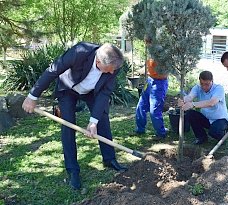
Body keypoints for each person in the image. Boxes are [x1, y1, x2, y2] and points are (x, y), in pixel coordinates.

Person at [22, 42, 127, 190]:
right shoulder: (80, 51)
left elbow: (104, 93)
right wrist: (33, 96)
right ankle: (73, 170)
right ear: (98, 62)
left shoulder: (113, 65)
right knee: (68, 124)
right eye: (109, 70)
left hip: (92, 92)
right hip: (68, 89)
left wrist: (93, 122)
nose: (112, 73)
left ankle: (109, 159)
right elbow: (53, 70)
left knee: (102, 118)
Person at [178, 71, 228, 145]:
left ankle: (223, 136)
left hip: (221, 119)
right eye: (202, 84)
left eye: (207, 84)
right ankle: (201, 137)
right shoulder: (197, 88)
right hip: (207, 118)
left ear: (212, 81)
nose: (204, 87)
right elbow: (190, 97)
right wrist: (183, 100)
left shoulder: (219, 88)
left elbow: (212, 102)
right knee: (190, 114)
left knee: (214, 132)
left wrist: (193, 104)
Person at [135, 38, 169, 140]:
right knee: (141, 106)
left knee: (154, 110)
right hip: (149, 81)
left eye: (148, 42)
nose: (146, 44)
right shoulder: (150, 52)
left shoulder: (161, 53)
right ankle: (140, 129)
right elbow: (149, 66)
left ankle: (161, 133)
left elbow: (166, 70)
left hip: (159, 83)